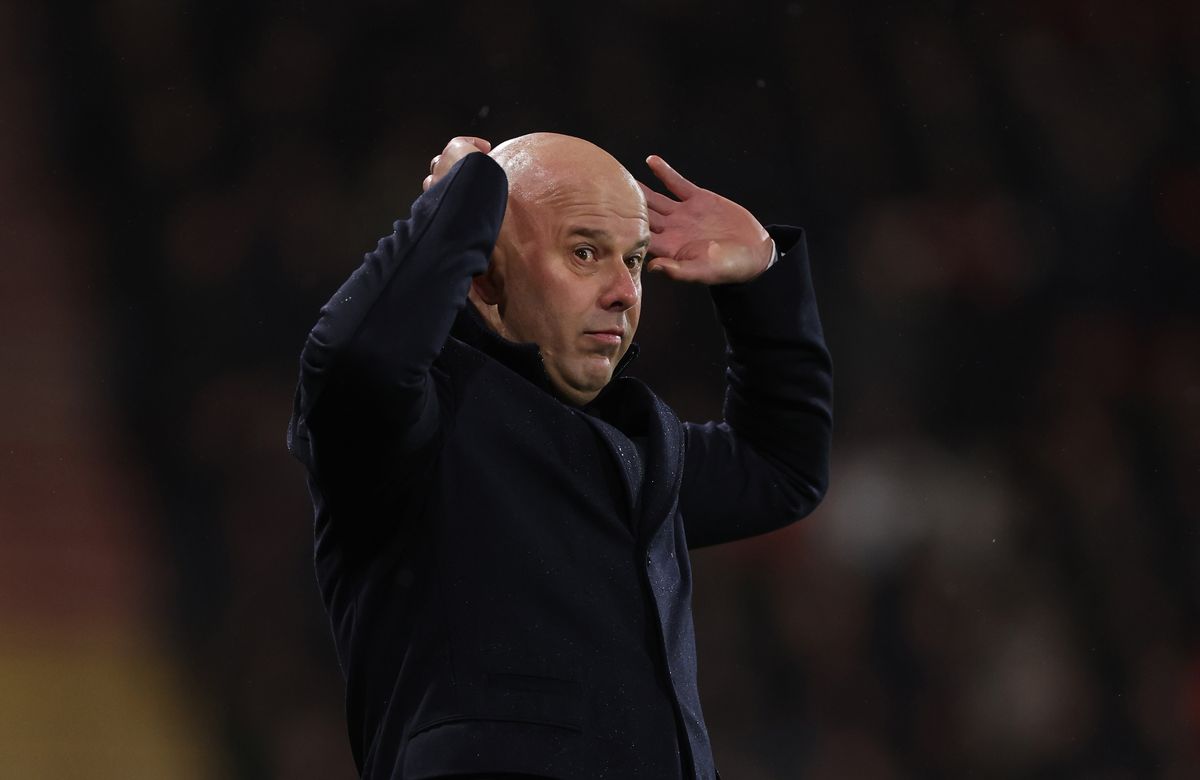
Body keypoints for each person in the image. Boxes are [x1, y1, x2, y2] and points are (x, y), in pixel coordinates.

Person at [286, 133, 833, 779]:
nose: (625, 293)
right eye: (584, 253)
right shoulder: (415, 426)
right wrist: (463, 201)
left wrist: (761, 276)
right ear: (486, 273)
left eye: (632, 260)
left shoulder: (635, 447)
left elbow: (780, 469)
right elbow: (358, 356)